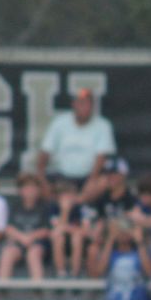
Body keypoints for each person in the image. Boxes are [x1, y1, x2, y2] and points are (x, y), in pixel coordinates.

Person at [37, 87, 116, 216]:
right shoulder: (60, 123)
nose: (84, 107)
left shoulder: (102, 125)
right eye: (81, 103)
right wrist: (41, 177)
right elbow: (45, 152)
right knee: (39, 184)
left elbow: (101, 156)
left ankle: (75, 204)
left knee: (103, 181)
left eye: (88, 104)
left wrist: (92, 179)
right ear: (74, 104)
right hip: (62, 177)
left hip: (87, 177)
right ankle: (57, 213)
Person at [0, 173, 53, 281]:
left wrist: (30, 237)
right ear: (20, 190)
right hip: (18, 242)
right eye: (26, 187)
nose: (29, 191)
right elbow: (8, 228)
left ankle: (38, 291)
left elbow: (46, 230)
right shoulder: (14, 206)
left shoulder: (44, 206)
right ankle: (2, 290)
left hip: (38, 244)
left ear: (38, 190)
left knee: (33, 254)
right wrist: (22, 238)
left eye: (33, 187)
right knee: (7, 253)